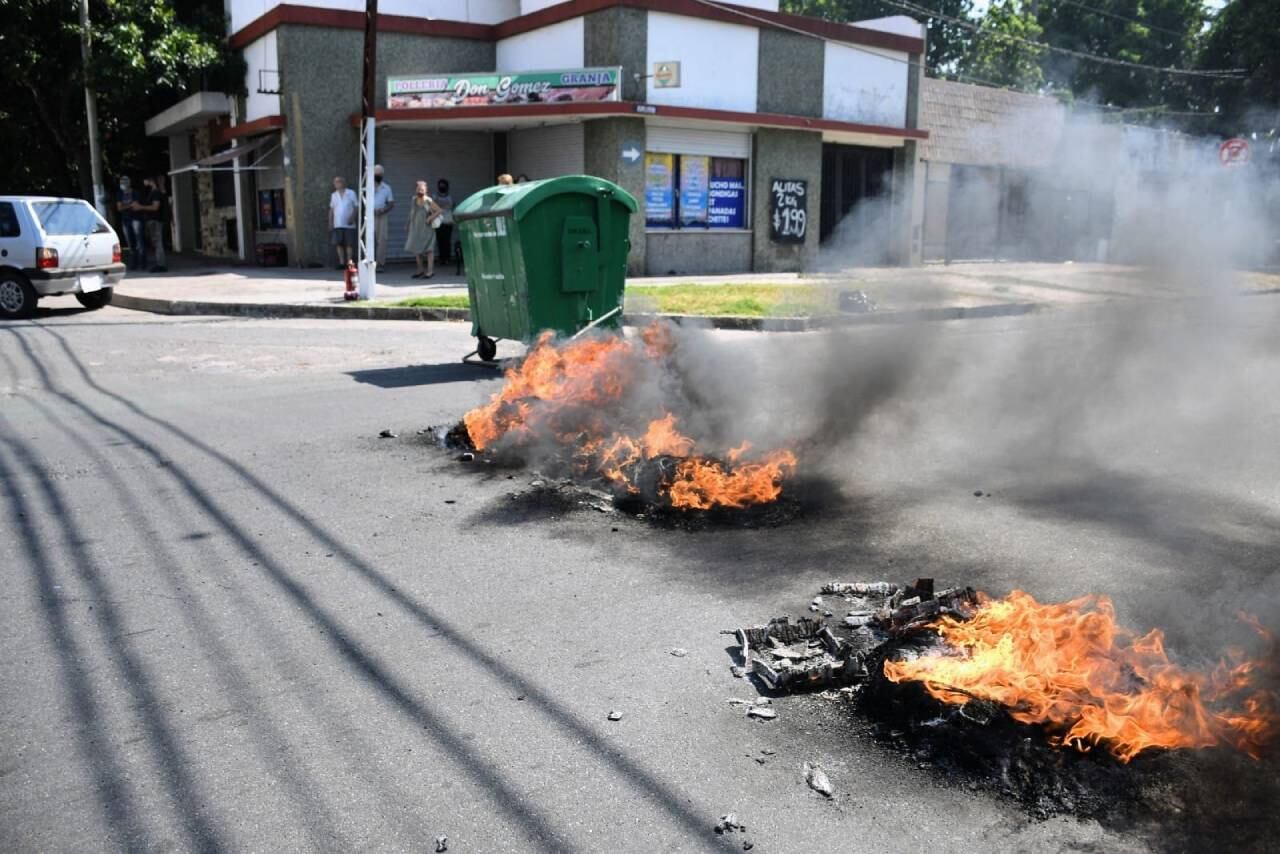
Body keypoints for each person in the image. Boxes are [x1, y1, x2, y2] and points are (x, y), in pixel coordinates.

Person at [404, 180, 442, 279]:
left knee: (429, 250)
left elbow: (439, 210)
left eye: (422, 189)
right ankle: (420, 270)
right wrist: (407, 224)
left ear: (425, 190)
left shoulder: (428, 200)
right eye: (418, 189)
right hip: (415, 228)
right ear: (415, 190)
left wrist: (430, 218)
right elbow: (411, 213)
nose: (420, 191)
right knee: (416, 249)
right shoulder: (413, 200)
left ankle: (430, 271)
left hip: (427, 228)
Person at [138, 176, 168, 272]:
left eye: (145, 179)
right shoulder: (155, 192)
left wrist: (141, 207)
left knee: (158, 242)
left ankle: (161, 264)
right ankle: (160, 263)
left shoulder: (155, 192)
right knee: (156, 242)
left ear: (150, 180)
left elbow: (155, 207)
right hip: (155, 220)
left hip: (155, 220)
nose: (144, 181)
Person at [115, 176, 146, 270]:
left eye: (125, 182)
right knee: (130, 243)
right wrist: (129, 205)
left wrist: (126, 206)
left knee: (139, 242)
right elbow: (119, 208)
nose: (123, 184)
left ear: (129, 183)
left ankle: (143, 263)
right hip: (126, 220)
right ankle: (134, 264)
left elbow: (136, 206)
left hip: (136, 219)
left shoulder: (135, 193)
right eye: (122, 182)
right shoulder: (119, 194)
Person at [329, 176, 358, 269]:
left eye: (337, 182)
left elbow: (356, 207)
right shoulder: (334, 195)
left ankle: (349, 263)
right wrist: (330, 222)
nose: (335, 184)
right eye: (335, 182)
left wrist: (352, 217)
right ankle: (341, 263)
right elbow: (331, 209)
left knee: (349, 244)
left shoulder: (351, 193)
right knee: (339, 244)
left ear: (342, 183)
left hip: (349, 224)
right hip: (337, 223)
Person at [372, 164, 394, 271]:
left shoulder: (387, 188)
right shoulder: (366, 187)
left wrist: (383, 209)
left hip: (382, 215)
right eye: (376, 173)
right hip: (369, 216)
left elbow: (391, 203)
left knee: (382, 240)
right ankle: (369, 263)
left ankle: (380, 264)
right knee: (369, 240)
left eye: (380, 174)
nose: (378, 175)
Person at [434, 179, 454, 265]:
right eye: (440, 185)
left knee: (447, 240)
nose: (442, 187)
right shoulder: (435, 196)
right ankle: (441, 258)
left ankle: (447, 258)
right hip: (438, 221)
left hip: (448, 221)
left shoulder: (450, 197)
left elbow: (452, 206)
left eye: (443, 185)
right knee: (439, 240)